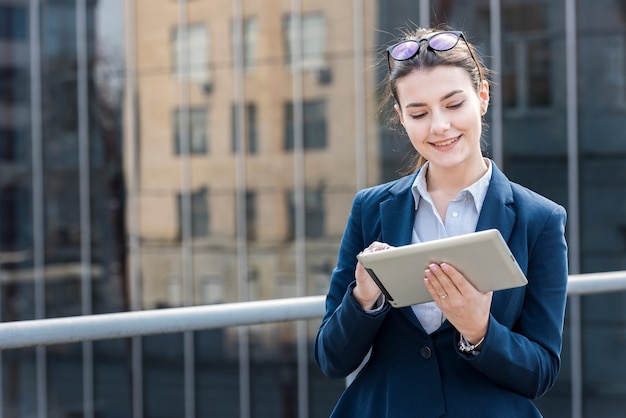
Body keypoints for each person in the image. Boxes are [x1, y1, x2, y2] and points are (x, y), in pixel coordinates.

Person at [314, 26, 568, 418]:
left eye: (453, 105)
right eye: (419, 113)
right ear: (400, 118)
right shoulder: (371, 208)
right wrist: (364, 300)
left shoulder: (540, 219)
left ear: (482, 98)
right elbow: (332, 359)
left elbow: (540, 372)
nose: (439, 126)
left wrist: (480, 331)